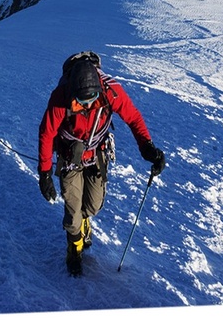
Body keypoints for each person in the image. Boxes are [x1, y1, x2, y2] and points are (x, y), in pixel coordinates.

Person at [37, 51, 165, 276]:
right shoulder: (60, 97)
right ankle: (74, 249)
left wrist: (147, 148)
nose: (85, 105)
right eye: (81, 101)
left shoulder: (110, 91)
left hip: (97, 154)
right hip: (70, 159)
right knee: (72, 211)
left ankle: (85, 222)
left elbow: (133, 117)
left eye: (90, 101)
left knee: (93, 205)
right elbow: (47, 134)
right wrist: (45, 173)